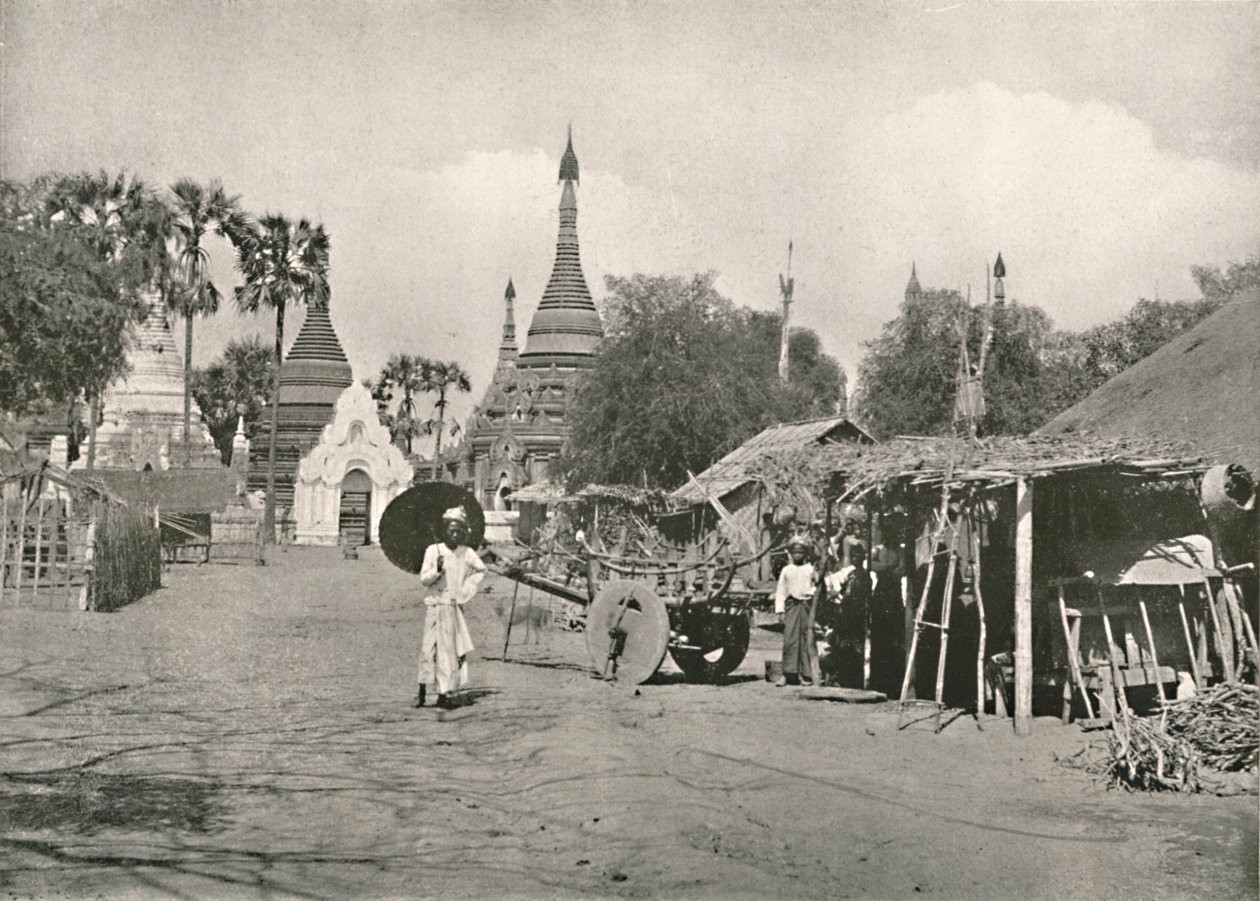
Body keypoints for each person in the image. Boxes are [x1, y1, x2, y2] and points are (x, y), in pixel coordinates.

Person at [415, 506, 486, 709]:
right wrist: (436, 571)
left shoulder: (466, 553)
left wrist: (465, 589)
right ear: (444, 531)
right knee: (428, 650)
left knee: (448, 652)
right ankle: (422, 689)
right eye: (451, 530)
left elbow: (481, 570)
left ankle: (443, 693)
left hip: (452, 608)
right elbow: (424, 579)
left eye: (458, 531)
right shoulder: (433, 551)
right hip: (434, 605)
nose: (455, 534)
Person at [774, 535, 819, 687]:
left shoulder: (810, 569)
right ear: (791, 553)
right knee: (790, 639)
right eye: (795, 552)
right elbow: (781, 590)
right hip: (792, 605)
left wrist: (811, 594)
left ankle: (806, 675)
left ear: (805, 553)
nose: (797, 555)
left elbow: (816, 586)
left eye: (800, 552)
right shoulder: (787, 570)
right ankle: (788, 674)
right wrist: (780, 610)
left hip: (806, 606)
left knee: (806, 638)